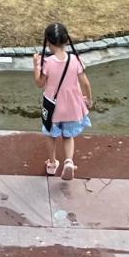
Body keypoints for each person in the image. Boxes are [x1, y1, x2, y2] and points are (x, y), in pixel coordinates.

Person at [34, 21, 92, 180]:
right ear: (67, 40)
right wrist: (89, 100)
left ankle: (52, 164)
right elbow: (85, 83)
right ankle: (68, 162)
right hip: (72, 106)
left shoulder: (48, 62)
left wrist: (36, 65)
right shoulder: (75, 60)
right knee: (68, 136)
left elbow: (39, 83)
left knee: (51, 135)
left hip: (53, 107)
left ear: (48, 42)